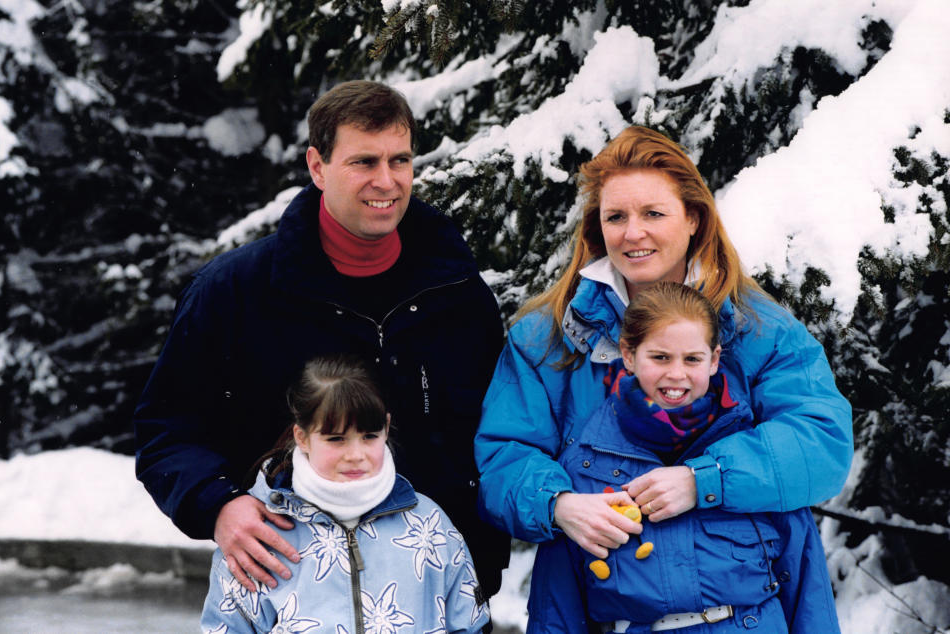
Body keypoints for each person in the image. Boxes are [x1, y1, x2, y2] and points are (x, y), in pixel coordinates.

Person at [134, 80, 509, 601]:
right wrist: (218, 504)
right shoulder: (235, 292)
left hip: (442, 598)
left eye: (399, 160)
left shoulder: (456, 291)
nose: (387, 181)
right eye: (364, 162)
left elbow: (503, 431)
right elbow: (166, 429)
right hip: (295, 594)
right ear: (317, 166)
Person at [474, 126, 852, 627]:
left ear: (693, 218)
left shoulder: (758, 328)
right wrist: (558, 503)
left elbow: (819, 440)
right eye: (616, 217)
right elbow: (503, 456)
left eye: (653, 213)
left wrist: (707, 479)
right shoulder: (548, 337)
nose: (633, 233)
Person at [525, 282, 838, 632]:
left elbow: (807, 587)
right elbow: (557, 609)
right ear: (628, 355)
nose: (676, 374)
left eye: (692, 359)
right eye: (660, 357)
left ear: (714, 360)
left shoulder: (756, 455)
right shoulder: (586, 465)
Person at [201, 356, 489, 633]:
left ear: (386, 428)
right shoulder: (258, 532)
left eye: (369, 436)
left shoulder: (430, 524)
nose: (355, 455)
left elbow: (468, 622)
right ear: (302, 437)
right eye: (336, 439)